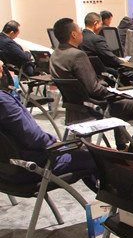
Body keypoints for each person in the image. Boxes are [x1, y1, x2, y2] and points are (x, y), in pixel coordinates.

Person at [49, 18, 133, 162]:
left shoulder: (56, 55)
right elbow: (94, 90)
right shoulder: (77, 55)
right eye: (79, 29)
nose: (81, 32)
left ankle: (122, 146)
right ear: (73, 34)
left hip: (75, 106)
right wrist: (115, 93)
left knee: (122, 100)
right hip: (95, 106)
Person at [0, 59, 99, 191]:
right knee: (95, 158)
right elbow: (33, 137)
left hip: (5, 172)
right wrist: (54, 142)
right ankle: (115, 201)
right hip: (28, 168)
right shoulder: (4, 101)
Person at [80, 12, 133, 85]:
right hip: (107, 74)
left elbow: (101, 56)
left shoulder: (80, 38)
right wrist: (121, 61)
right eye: (100, 24)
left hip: (91, 75)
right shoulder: (97, 39)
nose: (101, 27)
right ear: (95, 24)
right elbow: (109, 57)